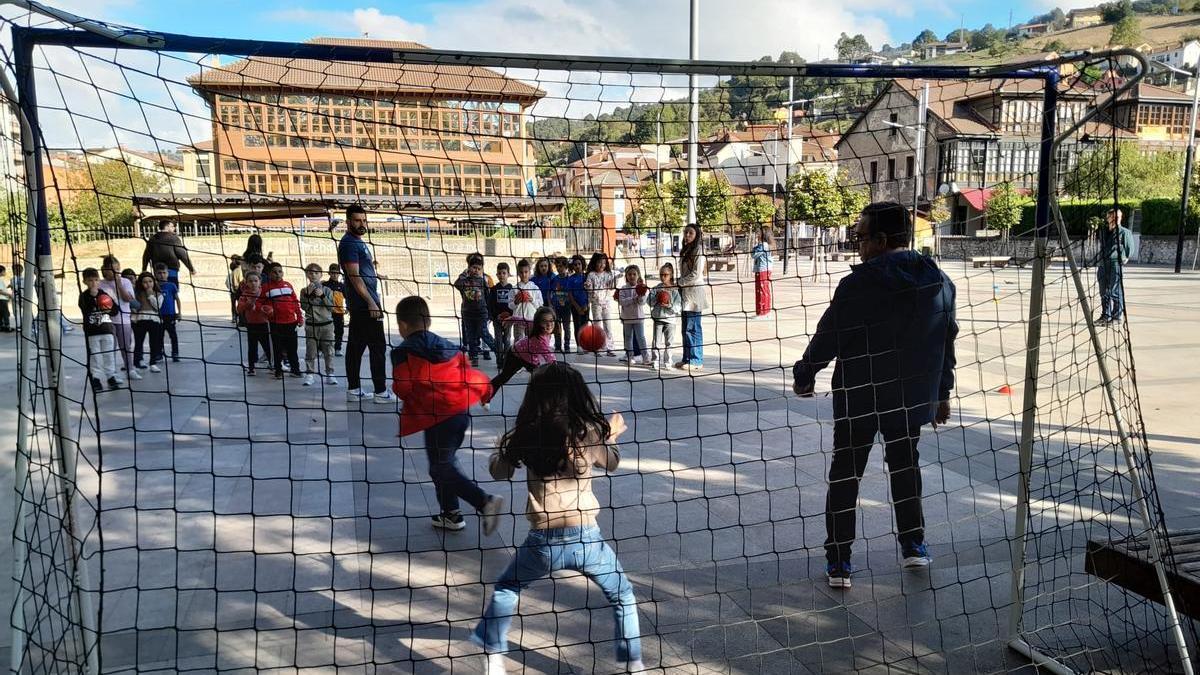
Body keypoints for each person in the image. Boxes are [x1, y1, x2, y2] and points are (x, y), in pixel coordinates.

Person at [791, 202, 958, 590]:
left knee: (845, 475)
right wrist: (942, 394)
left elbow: (829, 335)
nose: (858, 245)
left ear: (882, 240)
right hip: (909, 399)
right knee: (905, 468)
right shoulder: (940, 280)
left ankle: (840, 561)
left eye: (862, 237)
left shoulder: (861, 283)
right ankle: (913, 545)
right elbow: (945, 341)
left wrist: (805, 374)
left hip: (859, 398)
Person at [473, 362, 643, 675]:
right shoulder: (587, 432)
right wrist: (611, 436)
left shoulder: (528, 433)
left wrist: (502, 450)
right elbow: (613, 462)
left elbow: (500, 472)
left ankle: (493, 655)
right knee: (622, 595)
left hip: (542, 541)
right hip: (587, 538)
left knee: (508, 588)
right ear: (578, 395)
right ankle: (633, 663)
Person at [390, 295, 504, 532]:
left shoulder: (403, 351)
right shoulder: (449, 346)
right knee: (443, 462)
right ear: (429, 321)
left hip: (437, 416)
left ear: (401, 326)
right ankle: (450, 513)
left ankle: (484, 502)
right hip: (460, 413)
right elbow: (468, 373)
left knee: (440, 467)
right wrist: (485, 393)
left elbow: (402, 387)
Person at [337, 205, 394, 403]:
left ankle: (353, 389)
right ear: (348, 222)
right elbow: (353, 275)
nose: (362, 224)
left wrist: (374, 273)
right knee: (377, 347)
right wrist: (371, 302)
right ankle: (380, 392)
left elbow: (361, 271)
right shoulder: (349, 243)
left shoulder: (356, 242)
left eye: (364, 220)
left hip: (360, 303)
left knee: (356, 346)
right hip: (364, 304)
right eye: (357, 220)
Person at [485, 306, 556, 401]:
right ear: (538, 323)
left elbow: (520, 319)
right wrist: (509, 320)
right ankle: (486, 395)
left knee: (539, 379)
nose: (549, 324)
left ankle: (540, 401)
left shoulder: (542, 330)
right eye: (544, 321)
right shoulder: (538, 336)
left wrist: (511, 319)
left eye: (551, 321)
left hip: (531, 359)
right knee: (504, 377)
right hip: (515, 355)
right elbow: (550, 357)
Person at [79, 268, 123, 392]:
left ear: (99, 281)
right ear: (85, 282)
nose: (93, 283)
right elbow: (85, 309)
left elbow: (115, 311)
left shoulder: (104, 294)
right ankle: (96, 379)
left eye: (96, 280)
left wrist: (107, 306)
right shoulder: (83, 296)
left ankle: (111, 377)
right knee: (95, 356)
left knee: (109, 355)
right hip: (92, 332)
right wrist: (94, 300)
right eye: (90, 280)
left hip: (107, 329)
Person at [99, 255, 140, 380]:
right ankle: (112, 373)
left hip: (124, 319)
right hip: (107, 320)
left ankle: (130, 370)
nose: (115, 272)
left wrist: (119, 285)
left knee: (125, 346)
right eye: (112, 269)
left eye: (117, 269)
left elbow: (128, 299)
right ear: (104, 270)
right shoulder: (100, 284)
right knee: (109, 348)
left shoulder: (125, 281)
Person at [261, 262, 303, 380]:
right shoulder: (265, 288)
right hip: (276, 323)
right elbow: (259, 303)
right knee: (277, 349)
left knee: (292, 348)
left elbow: (295, 302)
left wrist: (299, 317)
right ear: (269, 274)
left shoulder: (288, 285)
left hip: (291, 322)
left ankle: (295, 370)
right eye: (274, 272)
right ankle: (278, 370)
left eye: (280, 271)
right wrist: (265, 309)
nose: (278, 274)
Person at [676, 225, 708, 372]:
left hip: (694, 293)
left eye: (690, 233)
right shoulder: (686, 250)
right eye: (686, 232)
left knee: (693, 328)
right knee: (685, 328)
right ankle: (687, 358)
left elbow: (696, 274)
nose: (687, 235)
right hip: (685, 293)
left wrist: (679, 282)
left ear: (697, 235)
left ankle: (696, 359)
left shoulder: (698, 251)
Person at [300, 263, 338, 387]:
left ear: (321, 275)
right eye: (310, 273)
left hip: (326, 325)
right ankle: (310, 374)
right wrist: (309, 295)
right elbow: (304, 307)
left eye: (316, 273)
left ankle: (330, 374)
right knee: (311, 351)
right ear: (307, 275)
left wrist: (322, 295)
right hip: (312, 325)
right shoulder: (304, 291)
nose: (313, 275)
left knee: (329, 350)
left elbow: (331, 307)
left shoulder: (327, 290)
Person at [455, 252, 495, 367]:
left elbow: (488, 296)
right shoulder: (465, 280)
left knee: (483, 333)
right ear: (469, 268)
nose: (476, 270)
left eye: (478, 268)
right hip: (468, 313)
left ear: (482, 269)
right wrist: (465, 273)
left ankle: (497, 350)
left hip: (481, 313)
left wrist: (490, 313)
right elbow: (456, 284)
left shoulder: (483, 281)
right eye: (474, 268)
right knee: (471, 336)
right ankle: (474, 356)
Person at [1096, 208, 1134, 326]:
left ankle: (1117, 316)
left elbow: (1129, 249)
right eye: (1113, 216)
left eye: (1118, 216)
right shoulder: (1102, 231)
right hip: (1103, 264)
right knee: (1104, 291)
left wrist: (1123, 259)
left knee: (1115, 290)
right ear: (1108, 218)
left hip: (1115, 264)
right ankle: (1105, 315)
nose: (1116, 219)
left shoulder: (1124, 232)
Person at [236, 271, 272, 376]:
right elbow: (239, 309)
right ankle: (252, 367)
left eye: (255, 281)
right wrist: (249, 303)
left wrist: (267, 309)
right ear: (246, 282)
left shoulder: (264, 293)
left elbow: (270, 306)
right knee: (252, 347)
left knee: (268, 346)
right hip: (251, 324)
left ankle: (272, 364)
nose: (253, 283)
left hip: (264, 324)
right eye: (250, 281)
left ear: (260, 281)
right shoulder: (245, 295)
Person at [646, 263, 681, 372]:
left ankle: (667, 362)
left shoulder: (675, 290)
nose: (663, 277)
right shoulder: (656, 288)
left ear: (670, 275)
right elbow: (649, 302)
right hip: (658, 318)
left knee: (669, 343)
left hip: (670, 320)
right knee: (656, 342)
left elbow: (678, 306)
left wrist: (669, 305)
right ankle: (655, 361)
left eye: (665, 275)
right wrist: (655, 298)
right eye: (661, 274)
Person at [616, 264, 650, 366]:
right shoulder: (623, 288)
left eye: (634, 274)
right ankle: (630, 357)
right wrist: (633, 299)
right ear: (626, 276)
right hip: (627, 318)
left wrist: (640, 295)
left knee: (641, 337)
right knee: (628, 338)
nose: (632, 276)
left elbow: (642, 302)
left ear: (638, 275)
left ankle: (645, 357)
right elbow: (622, 301)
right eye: (629, 274)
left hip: (638, 318)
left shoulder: (642, 288)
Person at [585, 252, 617, 357]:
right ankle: (597, 348)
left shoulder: (608, 274)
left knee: (608, 325)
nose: (602, 265)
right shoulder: (591, 274)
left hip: (606, 303)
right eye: (599, 262)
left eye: (604, 263)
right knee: (597, 325)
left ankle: (609, 347)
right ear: (594, 263)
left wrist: (615, 280)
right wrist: (588, 285)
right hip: (596, 303)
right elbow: (588, 288)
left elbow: (611, 287)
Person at [131, 272, 164, 373]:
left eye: (150, 281)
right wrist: (134, 309)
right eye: (145, 282)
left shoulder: (158, 294)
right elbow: (134, 306)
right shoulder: (137, 294)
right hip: (140, 319)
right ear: (140, 283)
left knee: (154, 342)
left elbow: (157, 307)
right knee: (138, 343)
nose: (148, 284)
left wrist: (150, 295)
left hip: (154, 320)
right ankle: (136, 363)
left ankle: (152, 363)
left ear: (154, 282)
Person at [508, 259, 543, 342]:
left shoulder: (534, 288)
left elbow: (540, 304)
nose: (524, 274)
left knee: (532, 342)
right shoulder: (514, 288)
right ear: (518, 273)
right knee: (519, 342)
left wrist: (532, 300)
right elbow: (510, 305)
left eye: (526, 272)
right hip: (518, 320)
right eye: (521, 272)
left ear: (529, 272)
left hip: (531, 319)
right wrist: (516, 302)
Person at [488, 263, 515, 362]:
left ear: (508, 274)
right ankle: (499, 360)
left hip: (508, 319)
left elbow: (513, 303)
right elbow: (491, 304)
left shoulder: (512, 288)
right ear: (497, 275)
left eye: (504, 273)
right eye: (499, 273)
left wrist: (510, 315)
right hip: (497, 319)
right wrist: (495, 315)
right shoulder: (494, 289)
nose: (502, 275)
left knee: (507, 339)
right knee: (498, 339)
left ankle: (506, 360)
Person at [155, 263, 181, 363]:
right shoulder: (155, 285)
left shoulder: (171, 286)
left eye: (164, 273)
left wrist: (179, 312)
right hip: (159, 315)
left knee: (173, 335)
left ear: (167, 274)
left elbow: (177, 299)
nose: (162, 275)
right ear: (156, 274)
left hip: (170, 315)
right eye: (159, 273)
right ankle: (159, 354)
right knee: (159, 336)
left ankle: (175, 353)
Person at [566, 255, 590, 352]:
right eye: (575, 264)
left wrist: (587, 305)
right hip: (575, 306)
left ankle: (585, 345)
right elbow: (570, 294)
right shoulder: (571, 279)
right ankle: (579, 346)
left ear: (582, 265)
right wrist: (576, 306)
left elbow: (590, 292)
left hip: (586, 306)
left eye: (579, 264)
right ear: (572, 266)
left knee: (585, 326)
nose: (577, 266)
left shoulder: (586, 277)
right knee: (577, 325)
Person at [549, 257, 572, 353]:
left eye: (561, 266)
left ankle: (567, 346)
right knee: (557, 327)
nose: (559, 268)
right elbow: (549, 292)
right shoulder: (554, 279)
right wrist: (550, 304)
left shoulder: (569, 279)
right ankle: (558, 346)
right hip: (556, 307)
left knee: (567, 327)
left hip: (566, 307)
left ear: (566, 267)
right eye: (557, 266)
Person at [751, 226, 774, 319]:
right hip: (764, 269)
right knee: (764, 290)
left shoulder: (763, 245)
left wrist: (754, 248)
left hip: (762, 269)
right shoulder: (764, 244)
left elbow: (754, 255)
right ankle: (764, 311)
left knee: (762, 291)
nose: (757, 235)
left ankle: (763, 313)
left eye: (759, 233)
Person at [326, 263, 347, 356]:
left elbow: (348, 298)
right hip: (327, 313)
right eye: (333, 273)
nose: (335, 275)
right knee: (326, 331)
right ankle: (324, 349)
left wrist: (348, 308)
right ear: (329, 273)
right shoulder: (325, 285)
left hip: (339, 313)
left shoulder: (342, 286)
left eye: (336, 273)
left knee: (339, 331)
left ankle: (337, 348)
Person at [227, 255, 243, 323]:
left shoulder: (233, 272)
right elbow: (239, 282)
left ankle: (234, 317)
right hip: (238, 291)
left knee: (234, 305)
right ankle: (240, 319)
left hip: (233, 291)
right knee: (240, 305)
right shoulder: (239, 270)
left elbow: (227, 283)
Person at [0, 265, 11, 332]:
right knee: (5, 313)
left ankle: (1, 326)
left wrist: (7, 287)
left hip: (1, 299)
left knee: (1, 313)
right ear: (1, 272)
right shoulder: (0, 281)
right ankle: (7, 327)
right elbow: (0, 291)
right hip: (2, 299)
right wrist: (9, 295)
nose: (5, 272)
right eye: (4, 271)